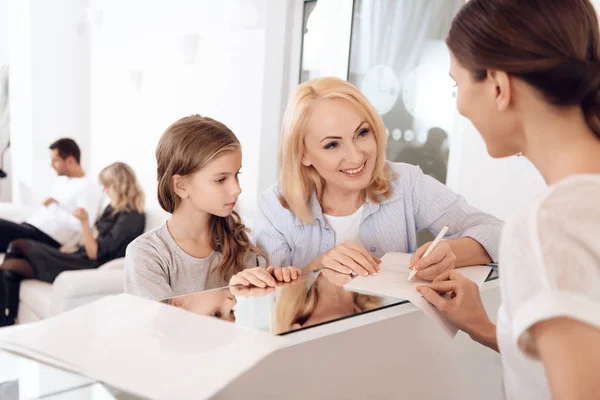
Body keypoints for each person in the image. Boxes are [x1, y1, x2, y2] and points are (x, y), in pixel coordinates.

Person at [415, 0, 600, 398]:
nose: (460, 104)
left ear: (499, 86)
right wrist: (485, 325)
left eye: (457, 84)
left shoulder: (548, 226)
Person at [255, 76, 503, 281]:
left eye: (362, 133)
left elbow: (499, 232)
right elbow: (266, 302)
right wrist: (317, 267)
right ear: (303, 155)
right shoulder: (274, 206)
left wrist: (452, 252)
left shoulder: (405, 182)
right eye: (332, 145)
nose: (355, 157)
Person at [125, 115, 299, 301]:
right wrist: (227, 295)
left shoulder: (240, 243)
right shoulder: (147, 254)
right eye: (221, 179)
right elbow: (160, 327)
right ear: (181, 186)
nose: (236, 189)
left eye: (236, 175)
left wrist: (274, 283)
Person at [0, 162, 145, 326]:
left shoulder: (132, 217)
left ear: (119, 184)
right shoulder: (113, 209)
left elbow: (95, 253)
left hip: (88, 264)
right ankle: (7, 321)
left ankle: (6, 321)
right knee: (9, 269)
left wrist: (84, 222)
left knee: (18, 245)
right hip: (80, 255)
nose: (104, 190)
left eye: (107, 186)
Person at [0, 138, 105, 252]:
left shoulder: (88, 187)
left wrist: (53, 207)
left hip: (45, 238)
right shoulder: (62, 180)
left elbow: (83, 225)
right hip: (29, 227)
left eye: (55, 160)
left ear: (70, 160)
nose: (51, 165)